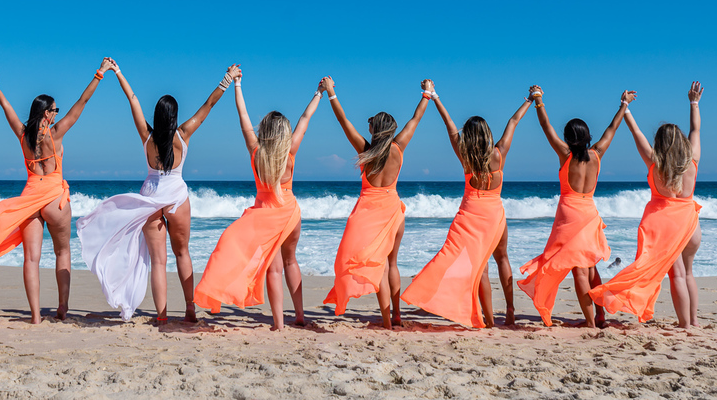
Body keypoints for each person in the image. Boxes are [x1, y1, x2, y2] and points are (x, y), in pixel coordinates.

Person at [0, 61, 109, 324]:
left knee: (31, 259)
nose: (57, 114)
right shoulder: (56, 134)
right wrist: (100, 73)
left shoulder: (22, 134)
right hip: (54, 198)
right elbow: (81, 103)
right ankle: (62, 307)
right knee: (62, 253)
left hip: (29, 199)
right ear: (48, 113)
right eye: (55, 110)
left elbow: (6, 107)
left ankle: (36, 316)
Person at [78, 60, 242, 322]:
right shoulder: (183, 134)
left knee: (158, 262)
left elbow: (132, 98)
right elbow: (208, 105)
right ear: (174, 117)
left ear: (157, 116)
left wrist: (117, 72)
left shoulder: (147, 136)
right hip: (176, 196)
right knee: (182, 253)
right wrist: (228, 78)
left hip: (151, 198)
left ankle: (163, 316)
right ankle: (189, 309)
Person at [193, 70, 321, 330]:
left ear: (263, 130)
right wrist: (318, 93)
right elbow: (305, 118)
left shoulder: (256, 151)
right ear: (284, 132)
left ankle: (278, 324)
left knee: (274, 269)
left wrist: (237, 85)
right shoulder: (291, 151)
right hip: (290, 212)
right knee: (291, 261)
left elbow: (243, 116)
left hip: (265, 215)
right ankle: (299, 316)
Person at [401, 88, 533, 328]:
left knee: (480, 267)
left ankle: (489, 320)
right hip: (495, 215)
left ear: (470, 137)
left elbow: (450, 127)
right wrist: (529, 100)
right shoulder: (499, 154)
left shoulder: (465, 156)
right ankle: (511, 310)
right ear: (487, 134)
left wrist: (435, 97)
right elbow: (513, 121)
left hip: (471, 214)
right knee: (502, 258)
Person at [589, 83, 704, 327]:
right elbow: (696, 128)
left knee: (678, 276)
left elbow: (636, 134)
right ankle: (693, 321)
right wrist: (694, 103)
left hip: (668, 228)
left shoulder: (655, 162)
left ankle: (684, 324)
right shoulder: (692, 160)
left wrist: (626, 107)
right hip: (692, 225)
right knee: (689, 273)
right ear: (682, 141)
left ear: (660, 144)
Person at [323, 77, 431, 329]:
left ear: (373, 129)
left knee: (378, 265)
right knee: (392, 264)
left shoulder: (365, 150)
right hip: (394, 211)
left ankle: (387, 321)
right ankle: (396, 315)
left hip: (368, 213)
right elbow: (415, 119)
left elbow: (343, 121)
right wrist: (427, 94)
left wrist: (330, 93)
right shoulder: (398, 147)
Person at [518, 86, 631, 327]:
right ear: (588, 135)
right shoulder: (597, 154)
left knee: (580, 271)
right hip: (589, 214)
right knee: (589, 268)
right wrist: (623, 105)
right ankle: (599, 315)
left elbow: (546, 127)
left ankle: (591, 323)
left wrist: (538, 100)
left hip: (569, 217)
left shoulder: (565, 154)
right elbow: (612, 129)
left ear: (569, 138)